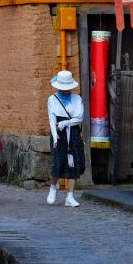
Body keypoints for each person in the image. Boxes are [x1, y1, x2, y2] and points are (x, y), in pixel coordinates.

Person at [46, 70, 85, 207]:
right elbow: (52, 119)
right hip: (58, 132)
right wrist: (55, 136)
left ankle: (70, 196)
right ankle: (53, 187)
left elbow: (79, 118)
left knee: (73, 163)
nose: (64, 90)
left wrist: (67, 123)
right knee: (58, 161)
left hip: (73, 132)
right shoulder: (52, 99)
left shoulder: (77, 99)